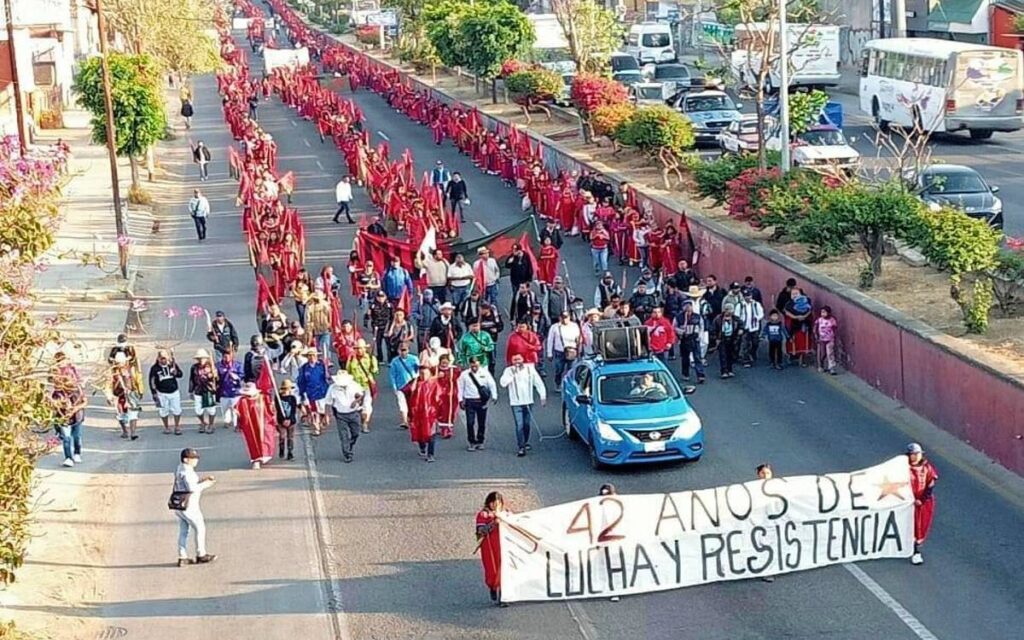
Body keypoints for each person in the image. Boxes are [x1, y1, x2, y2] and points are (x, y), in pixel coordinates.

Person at [171, 448, 216, 567]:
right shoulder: (188, 472)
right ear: (186, 459)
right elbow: (192, 488)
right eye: (193, 458)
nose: (196, 461)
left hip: (179, 505)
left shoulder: (180, 468)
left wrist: (202, 480)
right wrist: (206, 484)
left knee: (184, 531)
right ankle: (201, 554)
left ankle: (182, 556)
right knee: (200, 528)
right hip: (190, 506)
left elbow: (189, 483)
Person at [500, 354, 547, 457]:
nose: (517, 361)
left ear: (523, 359)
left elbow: (538, 383)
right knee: (519, 425)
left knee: (527, 424)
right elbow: (503, 383)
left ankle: (525, 442)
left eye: (518, 359)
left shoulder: (530, 369)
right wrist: (513, 374)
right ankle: (521, 447)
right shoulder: (509, 371)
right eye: (514, 359)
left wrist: (542, 396)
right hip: (516, 403)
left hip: (528, 402)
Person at [50, 353, 87, 468]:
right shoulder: (57, 393)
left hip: (77, 416)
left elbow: (85, 402)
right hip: (63, 417)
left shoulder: (77, 390)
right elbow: (53, 404)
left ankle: (77, 453)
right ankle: (68, 458)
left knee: (76, 437)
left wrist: (75, 408)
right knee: (66, 438)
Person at [326, 371, 368, 463]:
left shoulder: (354, 385)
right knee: (343, 435)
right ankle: (347, 454)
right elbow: (328, 402)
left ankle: (350, 444)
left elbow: (362, 394)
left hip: (354, 413)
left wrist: (356, 401)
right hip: (341, 415)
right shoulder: (332, 388)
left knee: (356, 433)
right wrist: (327, 416)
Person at [907, 443, 938, 565]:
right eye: (912, 454)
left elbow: (930, 485)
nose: (915, 457)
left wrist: (922, 500)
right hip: (908, 503)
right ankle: (914, 551)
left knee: (920, 527)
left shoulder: (926, 468)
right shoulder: (903, 468)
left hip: (923, 504)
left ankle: (916, 549)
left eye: (917, 454)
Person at [459, 357, 497, 451]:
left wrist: (494, 396)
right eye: (472, 365)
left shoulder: (484, 373)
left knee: (481, 422)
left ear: (479, 364)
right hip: (470, 401)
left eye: (476, 365)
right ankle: (471, 442)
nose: (474, 367)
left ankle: (480, 441)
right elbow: (460, 387)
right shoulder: (464, 374)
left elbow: (492, 384)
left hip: (481, 401)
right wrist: (460, 400)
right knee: (470, 423)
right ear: (470, 364)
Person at [476, 491, 506, 605]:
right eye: (493, 502)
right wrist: (494, 523)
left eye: (497, 503)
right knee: (492, 570)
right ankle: (493, 587)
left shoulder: (506, 514)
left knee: (504, 569)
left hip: (503, 548)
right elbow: (480, 531)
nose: (495, 505)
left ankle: (503, 597)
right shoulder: (483, 515)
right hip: (489, 549)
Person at [236, 382, 276, 469]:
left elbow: (271, 410)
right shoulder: (242, 401)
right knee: (252, 442)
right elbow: (238, 414)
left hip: (264, 424)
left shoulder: (263, 398)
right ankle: (255, 459)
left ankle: (264, 455)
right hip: (249, 426)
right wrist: (238, 425)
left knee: (265, 440)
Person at [108, 352, 144, 440]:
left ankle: (133, 433)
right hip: (119, 395)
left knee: (133, 414)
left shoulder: (131, 370)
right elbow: (108, 385)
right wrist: (109, 396)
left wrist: (140, 391)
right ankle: (125, 430)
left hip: (131, 393)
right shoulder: (112, 372)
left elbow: (138, 379)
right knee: (121, 415)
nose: (120, 364)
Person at [346, 339, 379, 433]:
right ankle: (359, 420)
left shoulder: (370, 358)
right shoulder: (352, 359)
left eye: (361, 348)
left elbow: (375, 371)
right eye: (357, 348)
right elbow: (348, 371)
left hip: (366, 385)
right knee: (356, 406)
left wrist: (373, 363)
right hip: (355, 386)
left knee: (367, 405)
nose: (359, 350)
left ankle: (365, 424)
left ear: (364, 349)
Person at [407, 368, 440, 462]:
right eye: (421, 374)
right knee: (419, 431)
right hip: (418, 413)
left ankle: (430, 454)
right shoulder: (416, 383)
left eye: (426, 373)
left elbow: (439, 397)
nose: (423, 376)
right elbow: (409, 391)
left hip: (431, 413)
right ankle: (422, 447)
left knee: (431, 433)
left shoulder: (433, 383)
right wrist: (416, 379)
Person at [150, 349, 185, 435]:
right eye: (162, 358)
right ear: (158, 358)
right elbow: (152, 381)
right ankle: (166, 427)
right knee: (163, 411)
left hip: (174, 391)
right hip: (162, 393)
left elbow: (180, 374)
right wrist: (154, 393)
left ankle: (177, 426)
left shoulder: (172, 365)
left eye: (165, 358)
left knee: (177, 410)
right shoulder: (155, 368)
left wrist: (175, 372)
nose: (163, 360)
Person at [297, 347, 330, 436]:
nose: (312, 357)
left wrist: (327, 375)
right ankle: (316, 428)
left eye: (313, 355)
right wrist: (302, 393)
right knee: (314, 412)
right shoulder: (304, 368)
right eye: (309, 355)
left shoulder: (321, 365)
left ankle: (323, 420)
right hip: (311, 393)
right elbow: (301, 381)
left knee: (322, 411)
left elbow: (327, 378)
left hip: (322, 392)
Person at [546, 311, 581, 392]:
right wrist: (549, 353)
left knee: (572, 370)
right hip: (559, 351)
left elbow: (578, 339)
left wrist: (579, 350)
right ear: (560, 318)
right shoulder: (555, 327)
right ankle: (558, 383)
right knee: (559, 370)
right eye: (563, 317)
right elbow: (550, 340)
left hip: (572, 350)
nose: (565, 319)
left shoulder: (574, 326)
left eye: (566, 317)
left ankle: (570, 385)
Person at [388, 343, 419, 429]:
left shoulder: (414, 359)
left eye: (405, 350)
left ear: (408, 350)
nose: (403, 352)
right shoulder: (394, 361)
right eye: (401, 350)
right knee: (402, 403)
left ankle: (413, 419)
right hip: (400, 386)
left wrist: (416, 383)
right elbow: (392, 375)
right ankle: (405, 421)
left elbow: (419, 372)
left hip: (412, 384)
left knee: (413, 403)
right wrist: (394, 387)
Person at [188, 349, 218, 434]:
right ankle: (202, 422)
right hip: (198, 391)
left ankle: (211, 424)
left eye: (203, 358)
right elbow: (192, 379)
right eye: (199, 358)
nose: (201, 360)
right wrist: (191, 390)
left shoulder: (211, 366)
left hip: (209, 390)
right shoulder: (194, 367)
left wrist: (214, 375)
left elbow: (217, 379)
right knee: (198, 410)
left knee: (211, 410)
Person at [755, 463, 776, 582]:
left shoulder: (777, 487)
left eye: (768, 473)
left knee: (770, 545)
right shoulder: (752, 488)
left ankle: (768, 571)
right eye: (763, 473)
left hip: (772, 521)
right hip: (758, 521)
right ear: (758, 474)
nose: (765, 475)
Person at [783, 287, 814, 367]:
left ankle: (802, 359)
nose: (794, 295)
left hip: (804, 324)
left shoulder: (806, 301)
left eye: (796, 293)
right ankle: (791, 355)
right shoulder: (789, 304)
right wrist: (796, 317)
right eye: (793, 294)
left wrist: (804, 316)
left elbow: (810, 310)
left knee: (804, 341)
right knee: (792, 341)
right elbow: (786, 312)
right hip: (793, 326)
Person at [434, 353, 461, 440]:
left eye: (446, 363)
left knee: (450, 412)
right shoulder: (435, 370)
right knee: (441, 412)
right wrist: (436, 377)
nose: (444, 365)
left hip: (451, 395)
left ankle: (449, 429)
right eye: (443, 363)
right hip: (439, 395)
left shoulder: (454, 370)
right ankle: (443, 429)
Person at [736, 287, 765, 367]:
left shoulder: (756, 304)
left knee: (755, 343)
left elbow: (761, 314)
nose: (748, 297)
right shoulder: (740, 305)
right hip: (745, 327)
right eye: (746, 296)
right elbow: (737, 316)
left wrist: (757, 318)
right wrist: (740, 326)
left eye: (749, 296)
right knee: (745, 343)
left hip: (754, 327)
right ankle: (746, 360)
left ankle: (752, 353)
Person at [715, 305, 743, 379]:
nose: (729, 312)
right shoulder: (718, 319)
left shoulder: (736, 319)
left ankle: (730, 370)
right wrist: (716, 338)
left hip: (732, 338)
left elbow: (741, 324)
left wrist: (741, 329)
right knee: (723, 355)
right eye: (727, 310)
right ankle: (724, 371)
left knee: (730, 355)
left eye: (730, 310)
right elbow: (714, 329)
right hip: (722, 338)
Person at [275, 379, 299, 460]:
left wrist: (289, 419)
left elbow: (293, 410)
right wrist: (283, 420)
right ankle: (281, 450)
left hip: (291, 421)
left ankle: (290, 452)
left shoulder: (292, 398)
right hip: (281, 420)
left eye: (288, 389)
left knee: (290, 437)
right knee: (282, 436)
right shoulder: (278, 398)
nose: (286, 390)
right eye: (285, 388)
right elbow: (278, 409)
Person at [814, 306, 839, 374]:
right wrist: (816, 336)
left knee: (830, 353)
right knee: (823, 354)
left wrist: (834, 336)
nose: (823, 314)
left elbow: (835, 329)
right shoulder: (819, 320)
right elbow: (815, 328)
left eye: (824, 312)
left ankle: (831, 368)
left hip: (830, 339)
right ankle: (821, 365)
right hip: (821, 339)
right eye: (822, 312)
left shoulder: (832, 320)